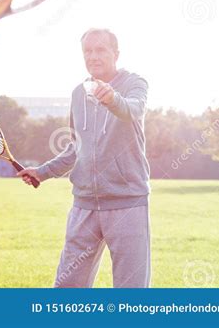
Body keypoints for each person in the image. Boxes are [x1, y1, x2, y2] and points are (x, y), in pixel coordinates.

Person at [19, 28, 151, 288]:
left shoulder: (135, 84)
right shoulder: (78, 93)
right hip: (85, 206)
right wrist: (43, 172)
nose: (93, 56)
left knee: (131, 293)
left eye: (100, 49)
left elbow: (133, 110)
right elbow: (76, 147)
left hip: (126, 204)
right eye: (87, 51)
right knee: (67, 288)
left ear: (116, 53)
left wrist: (113, 98)